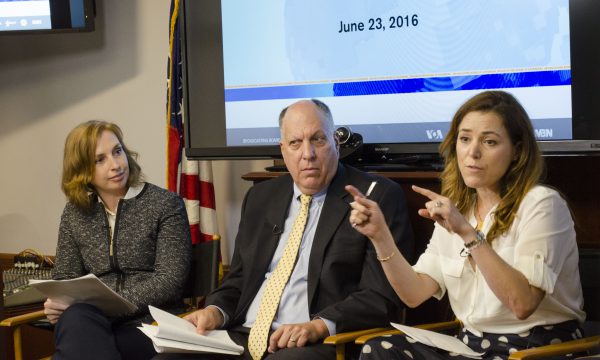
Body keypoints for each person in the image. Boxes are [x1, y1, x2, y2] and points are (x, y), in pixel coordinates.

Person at [156, 99, 414, 360]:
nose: (308, 154)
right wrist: (214, 311)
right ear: (283, 150)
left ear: (336, 143)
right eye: (295, 143)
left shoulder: (374, 196)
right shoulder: (260, 197)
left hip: (317, 341)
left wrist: (318, 326)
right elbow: (239, 280)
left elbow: (380, 296)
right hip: (243, 335)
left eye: (318, 140)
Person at [347, 91, 585, 360]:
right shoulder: (459, 210)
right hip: (470, 348)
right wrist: (380, 236)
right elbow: (413, 294)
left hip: (538, 349)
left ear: (517, 151)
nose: (473, 152)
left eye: (490, 141)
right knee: (381, 348)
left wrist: (467, 233)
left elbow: (523, 304)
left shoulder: (541, 204)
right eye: (465, 139)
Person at [45, 120, 192, 360]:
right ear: (81, 170)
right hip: (92, 321)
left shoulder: (165, 204)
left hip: (151, 324)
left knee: (72, 350)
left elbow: (170, 281)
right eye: (99, 160)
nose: (115, 165)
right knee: (75, 319)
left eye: (117, 151)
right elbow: (65, 279)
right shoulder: (74, 213)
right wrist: (58, 304)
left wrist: (112, 304)